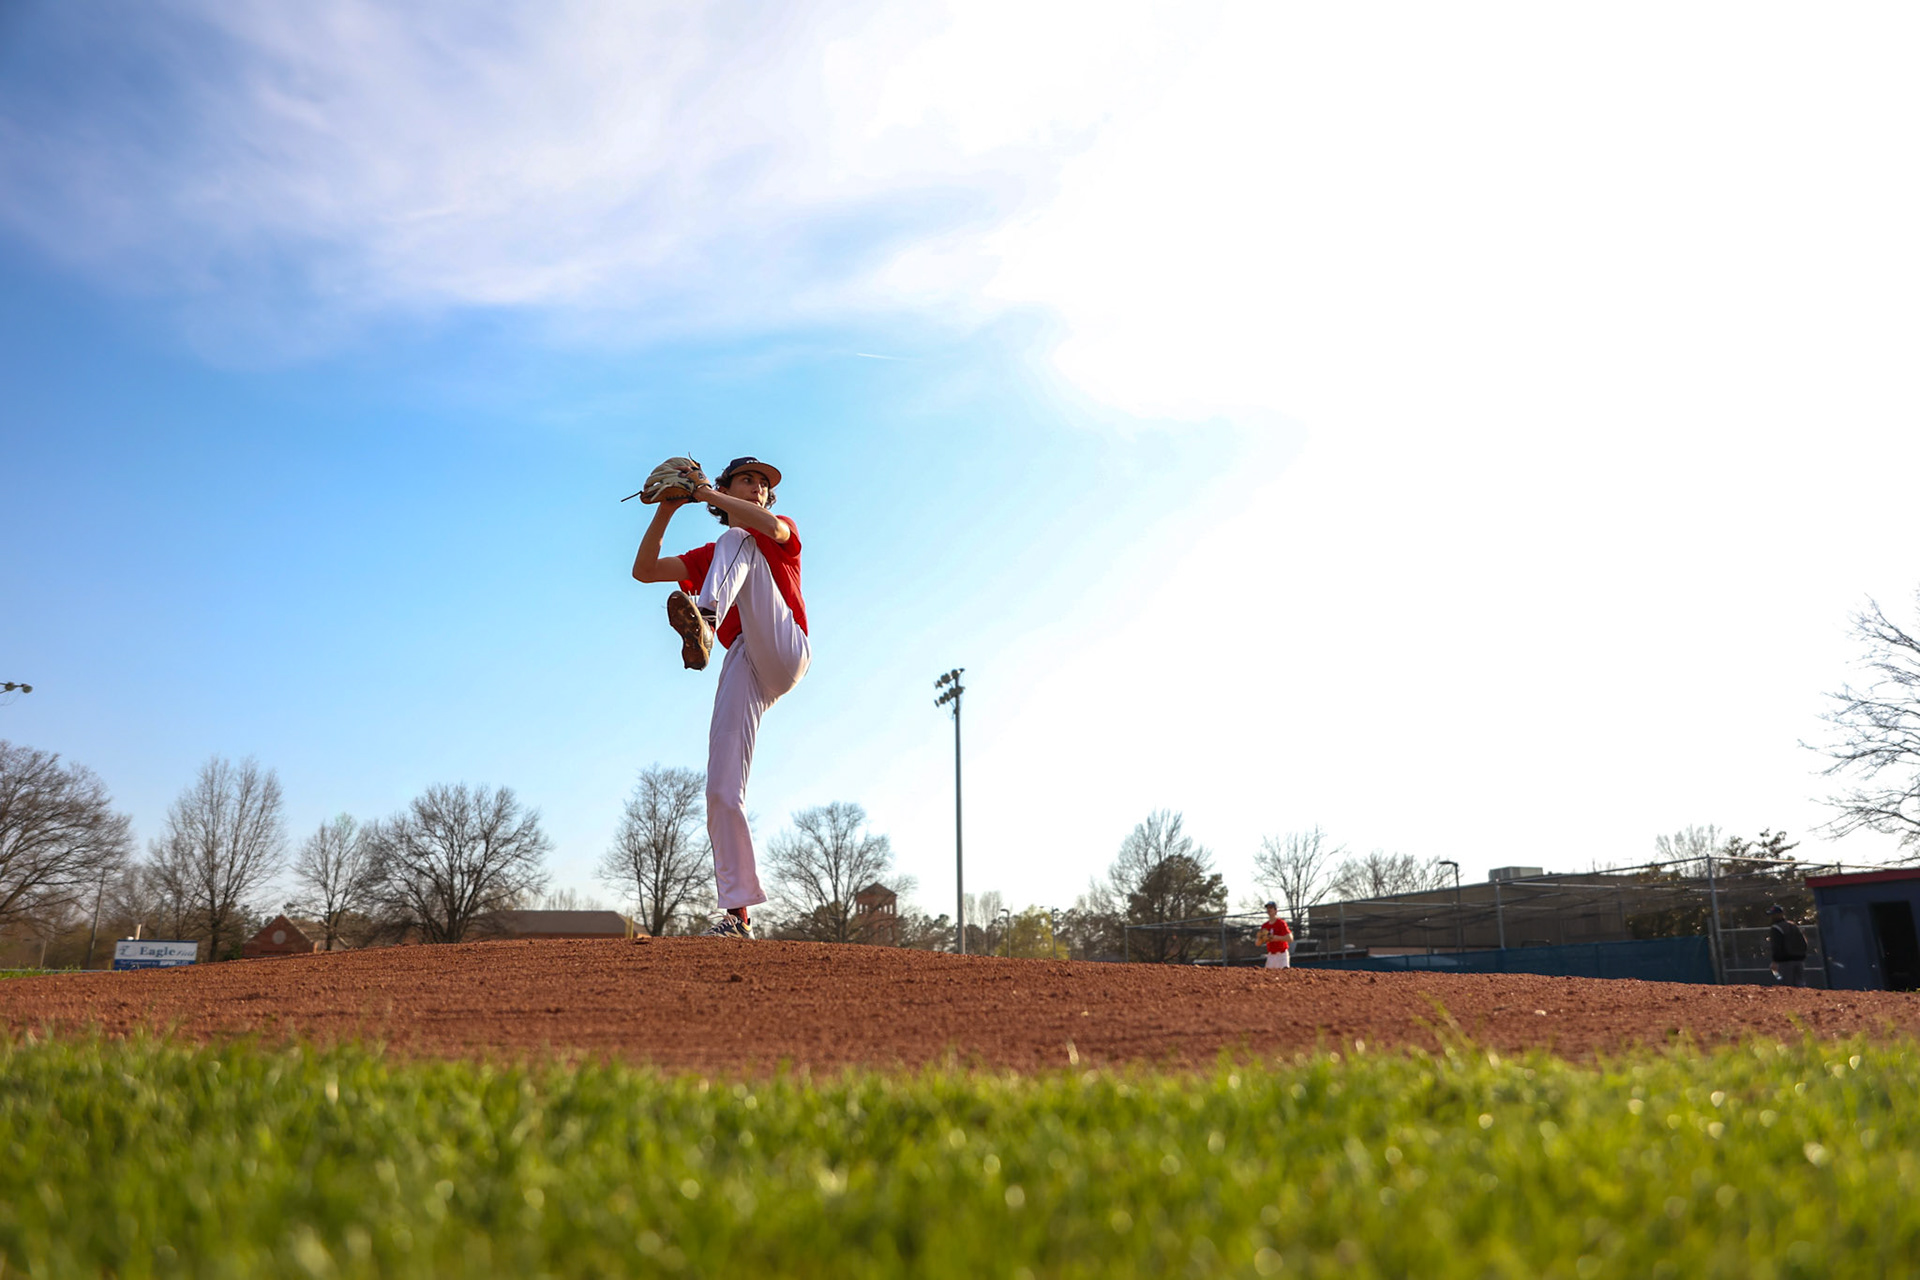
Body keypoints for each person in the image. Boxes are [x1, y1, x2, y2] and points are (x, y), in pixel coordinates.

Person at [631, 456, 809, 940]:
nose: (757, 488)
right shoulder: (713, 552)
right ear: (731, 485)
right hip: (743, 662)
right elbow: (643, 571)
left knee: (740, 539)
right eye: (747, 480)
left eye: (763, 484)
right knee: (721, 790)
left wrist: (705, 493)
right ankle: (738, 915)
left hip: (784, 645)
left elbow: (769, 526)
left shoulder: (778, 530)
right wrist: (668, 508)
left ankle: (704, 620)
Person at [1768, 903, 1810, 987]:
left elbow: (1777, 946)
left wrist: (1775, 961)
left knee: (1787, 987)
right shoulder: (1793, 925)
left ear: (1780, 914)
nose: (1772, 916)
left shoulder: (1776, 928)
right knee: (1800, 985)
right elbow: (1804, 941)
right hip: (1799, 960)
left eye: (1774, 914)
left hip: (1785, 962)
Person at [1258, 901, 1293, 970]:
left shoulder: (1281, 923)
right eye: (1268, 908)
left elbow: (1290, 938)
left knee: (1284, 974)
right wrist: (1262, 938)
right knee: (1268, 977)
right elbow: (1258, 942)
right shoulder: (1265, 926)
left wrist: (1275, 937)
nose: (1269, 910)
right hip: (1271, 955)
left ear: (1276, 910)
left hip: (1282, 955)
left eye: (1271, 908)